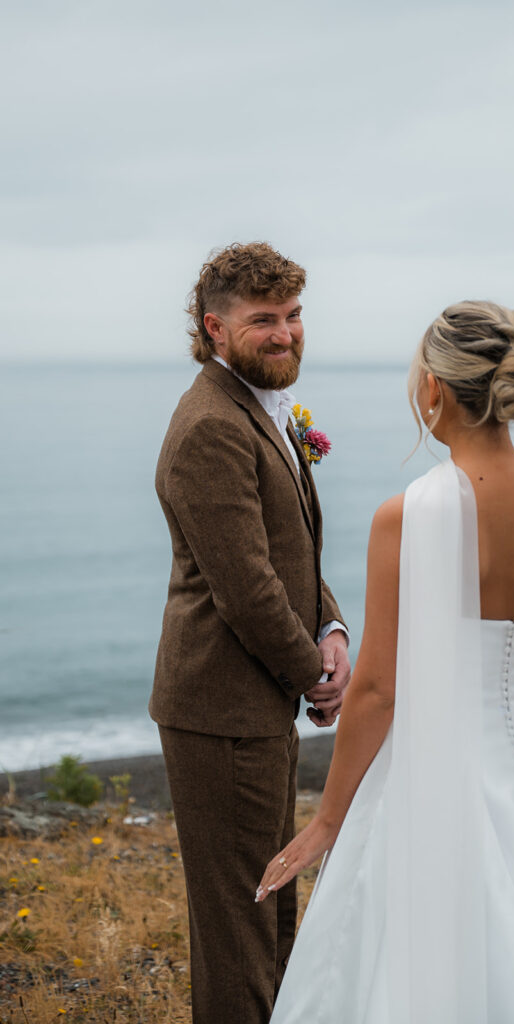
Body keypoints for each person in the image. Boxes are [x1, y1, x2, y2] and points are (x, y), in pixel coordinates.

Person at [258, 301, 514, 1023]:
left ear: (434, 390)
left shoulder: (410, 515)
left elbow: (380, 692)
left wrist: (328, 820)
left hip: (437, 781)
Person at [149, 242, 350, 1024]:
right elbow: (244, 585)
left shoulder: (260, 409)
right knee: (241, 924)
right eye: (263, 319)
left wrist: (330, 627)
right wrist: (314, 673)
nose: (285, 333)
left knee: (270, 907)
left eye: (294, 316)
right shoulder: (209, 427)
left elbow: (288, 548)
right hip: (220, 712)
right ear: (215, 328)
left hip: (252, 708)